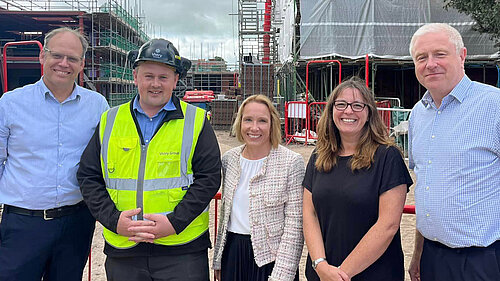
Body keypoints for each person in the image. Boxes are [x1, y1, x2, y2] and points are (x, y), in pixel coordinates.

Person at [77, 38, 221, 281]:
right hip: (125, 248)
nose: (155, 84)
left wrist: (174, 223)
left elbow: (209, 179)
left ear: (175, 80)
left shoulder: (196, 121)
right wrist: (114, 221)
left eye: (163, 77)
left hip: (182, 250)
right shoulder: (110, 120)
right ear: (135, 77)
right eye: (148, 76)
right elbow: (88, 176)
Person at [0, 27, 109, 280]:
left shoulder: (98, 107)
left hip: (77, 222)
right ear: (42, 57)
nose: (64, 64)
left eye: (72, 58)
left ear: (82, 64)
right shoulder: (10, 104)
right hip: (23, 224)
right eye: (57, 55)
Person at [408, 23, 500, 281]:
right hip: (432, 257)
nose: (430, 64)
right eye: (421, 57)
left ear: (462, 56)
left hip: (482, 260)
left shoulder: (494, 106)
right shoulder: (418, 115)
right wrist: (418, 253)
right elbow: (425, 188)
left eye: (440, 54)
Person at [303, 77, 412, 281]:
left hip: (373, 273)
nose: (348, 111)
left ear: (369, 112)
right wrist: (321, 265)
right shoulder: (319, 157)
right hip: (323, 273)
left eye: (357, 105)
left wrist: (341, 275)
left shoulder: (388, 157)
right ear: (331, 110)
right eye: (341, 104)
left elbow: (387, 225)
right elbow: (310, 214)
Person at [212, 94, 304, 281]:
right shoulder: (230, 160)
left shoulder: (291, 162)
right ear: (239, 123)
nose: (254, 128)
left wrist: (282, 275)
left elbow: (295, 226)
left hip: (271, 259)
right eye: (248, 120)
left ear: (272, 124)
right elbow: (225, 217)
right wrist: (219, 261)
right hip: (233, 252)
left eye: (262, 121)